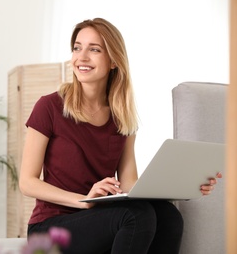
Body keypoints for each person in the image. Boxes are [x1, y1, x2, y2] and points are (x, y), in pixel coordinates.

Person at [19, 18, 221, 254]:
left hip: (99, 218)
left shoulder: (122, 118)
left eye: (94, 49)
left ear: (114, 60)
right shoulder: (49, 107)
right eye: (77, 47)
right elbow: (27, 182)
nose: (81, 57)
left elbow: (128, 184)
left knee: (169, 216)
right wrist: (84, 200)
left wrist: (185, 185)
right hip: (50, 226)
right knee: (135, 217)